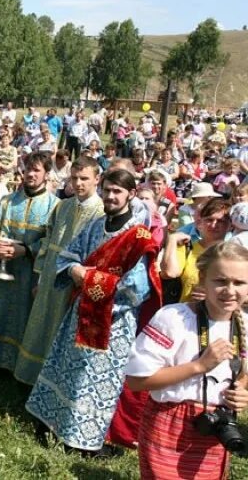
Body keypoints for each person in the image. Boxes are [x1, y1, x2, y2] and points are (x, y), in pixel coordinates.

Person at [26, 169, 162, 455]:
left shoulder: (138, 236)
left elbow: (137, 288)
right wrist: (74, 269)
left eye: (118, 192)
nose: (111, 196)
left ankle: (82, 440)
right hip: (79, 314)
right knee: (66, 369)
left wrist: (88, 279)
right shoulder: (95, 225)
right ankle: (52, 423)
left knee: (93, 379)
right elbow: (68, 256)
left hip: (113, 323)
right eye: (108, 190)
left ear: (131, 194)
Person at [124, 242, 248, 479]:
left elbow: (243, 374)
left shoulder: (244, 325)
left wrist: (242, 391)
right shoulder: (174, 318)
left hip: (216, 428)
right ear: (202, 278)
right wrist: (198, 366)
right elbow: (137, 381)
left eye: (239, 282)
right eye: (220, 281)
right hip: (169, 425)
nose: (230, 290)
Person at [14, 156, 104, 385]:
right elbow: (47, 242)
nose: (79, 183)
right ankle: (30, 378)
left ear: (97, 179)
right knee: (40, 327)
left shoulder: (101, 212)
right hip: (50, 279)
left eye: (85, 178)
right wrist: (41, 275)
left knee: (61, 333)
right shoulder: (62, 205)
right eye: (74, 178)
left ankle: (51, 382)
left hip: (73, 283)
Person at [0, 152, 59, 372]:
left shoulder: (55, 206)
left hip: (30, 271)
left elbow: (52, 241)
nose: (30, 174)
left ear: (47, 174)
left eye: (36, 170)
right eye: (28, 169)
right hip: (1, 269)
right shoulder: (7, 201)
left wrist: (27, 250)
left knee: (24, 316)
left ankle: (17, 366)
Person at [161, 198, 232, 304]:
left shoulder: (235, 255)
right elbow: (170, 273)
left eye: (220, 221)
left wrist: (212, 295)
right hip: (185, 313)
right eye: (209, 220)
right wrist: (172, 239)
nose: (213, 225)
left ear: (229, 226)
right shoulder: (187, 248)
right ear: (199, 223)